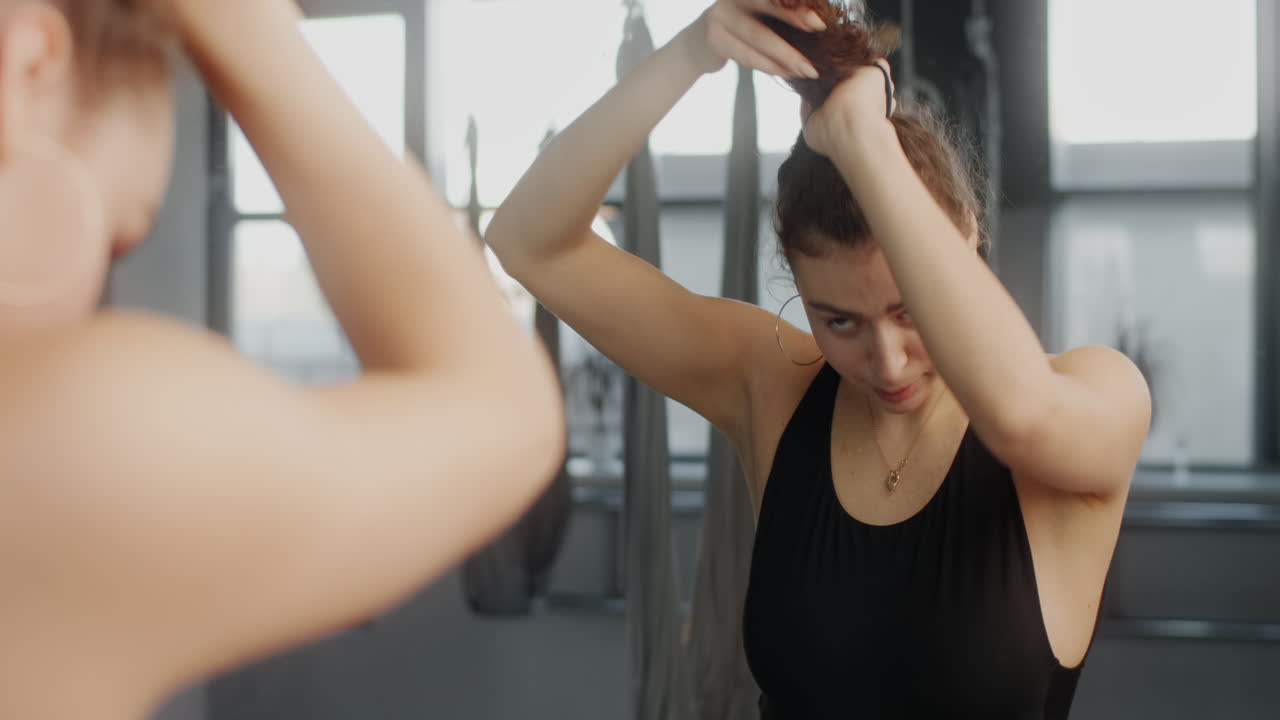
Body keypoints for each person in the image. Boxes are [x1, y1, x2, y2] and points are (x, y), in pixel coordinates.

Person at [486, 0, 1151, 716]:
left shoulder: (1098, 391)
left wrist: (861, 137)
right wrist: (693, 51)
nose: (887, 362)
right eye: (840, 322)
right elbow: (529, 242)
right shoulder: (773, 383)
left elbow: (1019, 415)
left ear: (967, 233)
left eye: (910, 312)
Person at [0, 1, 563, 718]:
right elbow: (504, 411)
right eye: (116, 241)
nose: (93, 303)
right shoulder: (64, 453)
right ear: (29, 69)